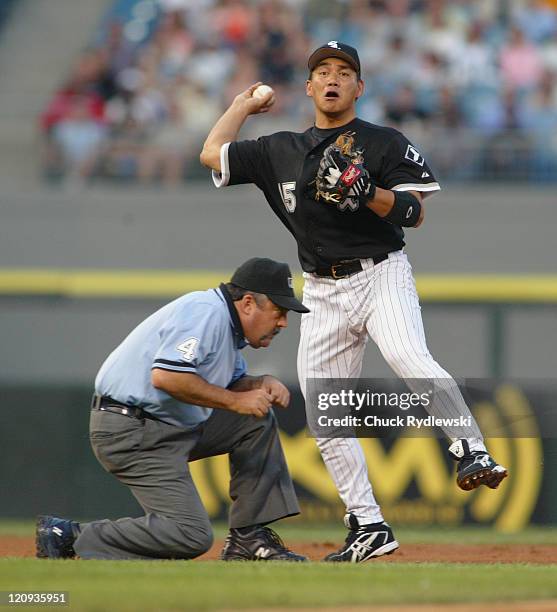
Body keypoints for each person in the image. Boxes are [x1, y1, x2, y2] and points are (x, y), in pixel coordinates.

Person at [200, 41, 508, 563]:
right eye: (322, 70)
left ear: (359, 87)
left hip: (380, 272)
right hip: (320, 290)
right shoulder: (279, 149)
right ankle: (368, 526)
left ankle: (470, 449)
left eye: (344, 71)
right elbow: (211, 153)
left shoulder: (383, 142)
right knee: (325, 415)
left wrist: (367, 192)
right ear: (310, 87)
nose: (333, 78)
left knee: (409, 355)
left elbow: (414, 212)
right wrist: (242, 106)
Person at [36, 258, 309, 562]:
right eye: (279, 311)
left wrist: (258, 382)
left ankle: (248, 538)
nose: (284, 322)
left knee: (255, 421)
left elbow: (231, 382)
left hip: (165, 425)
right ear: (248, 303)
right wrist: (235, 401)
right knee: (190, 534)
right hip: (132, 429)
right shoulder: (207, 313)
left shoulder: (227, 328)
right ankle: (69, 536)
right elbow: (167, 377)